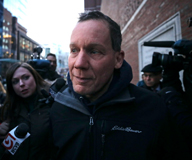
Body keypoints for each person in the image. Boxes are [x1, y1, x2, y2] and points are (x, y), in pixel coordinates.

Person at [49, 11, 191, 159]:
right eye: (74, 50)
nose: (79, 63)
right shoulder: (57, 108)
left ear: (118, 59)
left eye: (94, 51)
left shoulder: (153, 108)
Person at [0, 62, 53, 160]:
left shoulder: (52, 104)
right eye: (15, 81)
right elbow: (1, 146)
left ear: (35, 77)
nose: (21, 84)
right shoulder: (9, 109)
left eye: (26, 77)